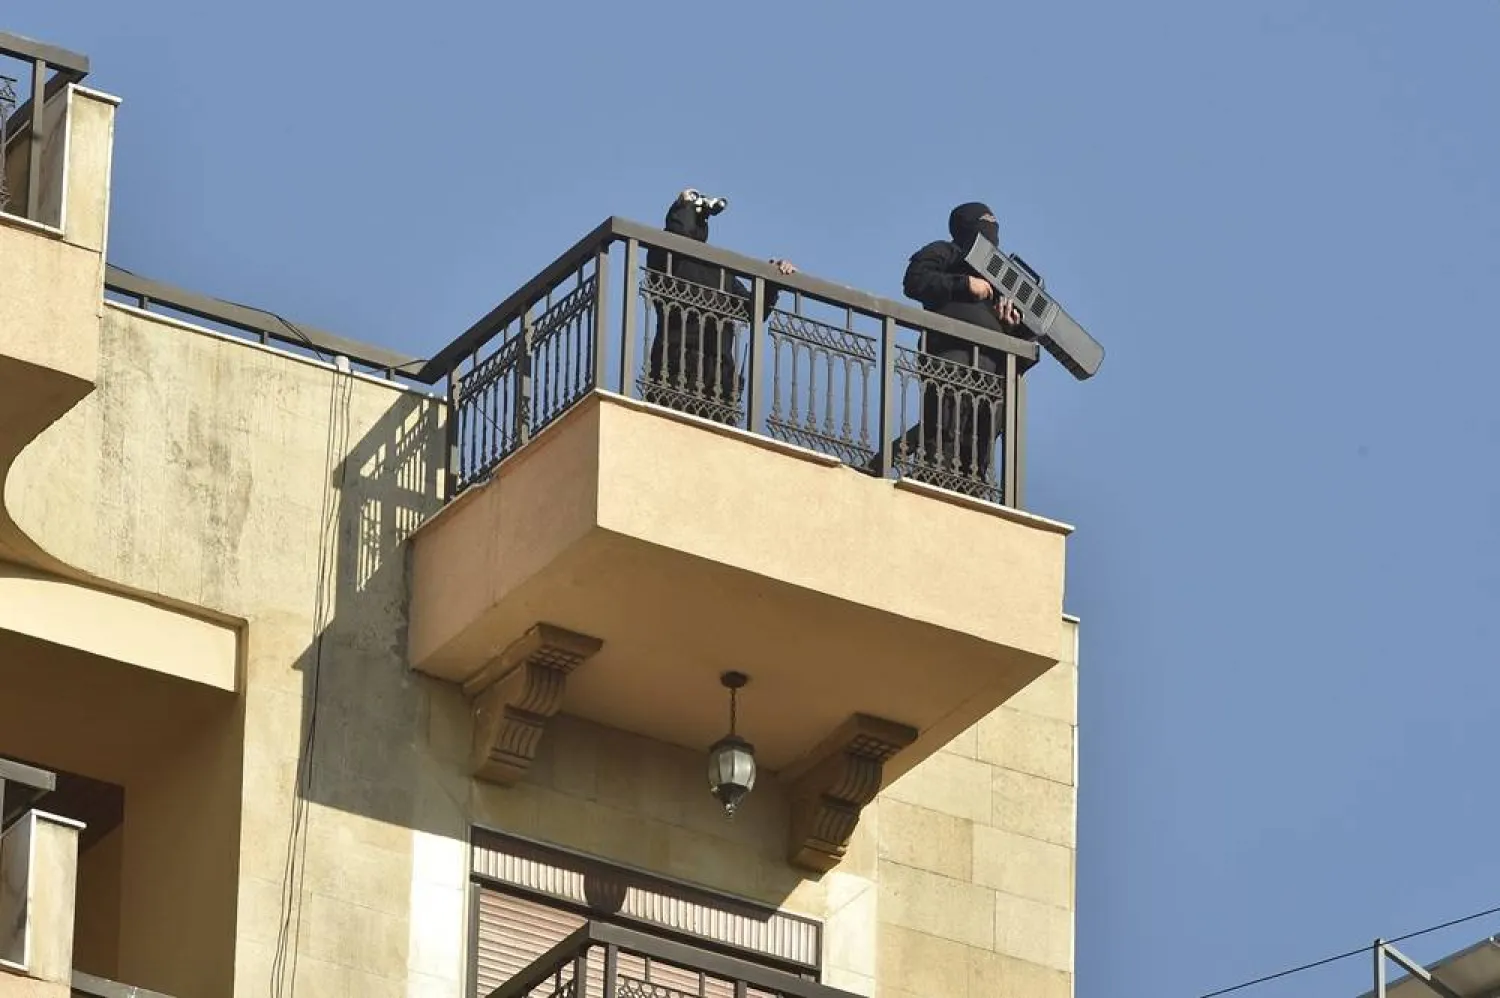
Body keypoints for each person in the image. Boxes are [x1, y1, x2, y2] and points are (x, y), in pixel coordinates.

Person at [897, 201, 1026, 492]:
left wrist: (1011, 325)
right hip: (949, 359)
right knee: (943, 437)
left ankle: (973, 493)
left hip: (991, 377)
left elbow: (1026, 347)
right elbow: (915, 280)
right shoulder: (947, 251)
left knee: (978, 451)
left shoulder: (1003, 278)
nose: (990, 231)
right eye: (983, 223)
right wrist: (964, 284)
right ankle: (932, 487)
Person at [643, 189, 796, 424]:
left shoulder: (718, 270)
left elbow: (753, 312)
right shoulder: (663, 255)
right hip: (674, 372)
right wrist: (684, 202)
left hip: (717, 380)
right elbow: (677, 235)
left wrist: (772, 282)